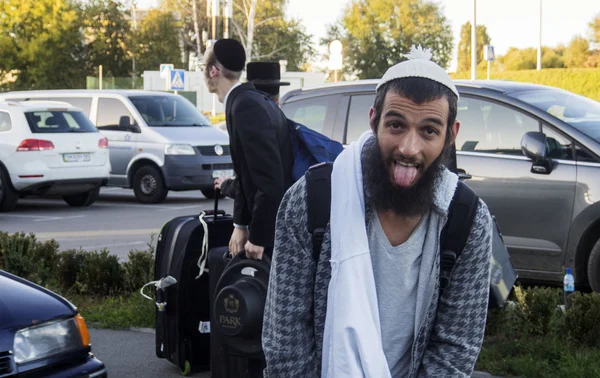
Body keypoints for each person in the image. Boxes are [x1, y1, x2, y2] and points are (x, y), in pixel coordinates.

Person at [262, 46, 494, 377]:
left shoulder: (467, 220)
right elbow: (285, 342)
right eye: (396, 125)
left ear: (450, 136)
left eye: (429, 130)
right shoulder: (313, 200)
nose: (409, 149)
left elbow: (455, 349)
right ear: (374, 120)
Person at [203, 39, 293, 260]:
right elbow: (247, 174)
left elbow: (269, 179)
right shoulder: (247, 99)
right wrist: (240, 224)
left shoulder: (246, 105)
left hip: (271, 236)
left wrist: (259, 238)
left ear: (213, 70)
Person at [214, 61, 291, 199]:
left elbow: (259, 178)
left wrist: (226, 185)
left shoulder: (251, 113)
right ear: (277, 99)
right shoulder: (279, 117)